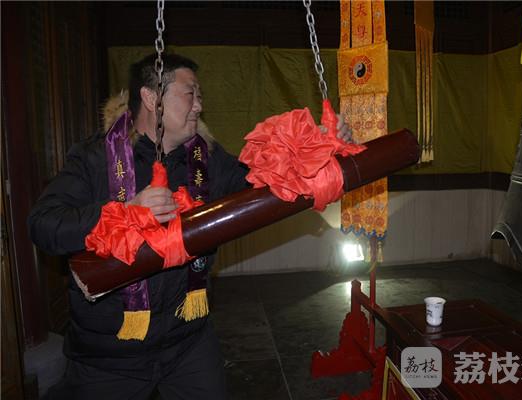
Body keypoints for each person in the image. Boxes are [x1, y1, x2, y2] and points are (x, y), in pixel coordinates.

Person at [28, 53, 352, 399]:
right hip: (108, 352)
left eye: (200, 96)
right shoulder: (95, 158)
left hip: (187, 341)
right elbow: (44, 224)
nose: (199, 105)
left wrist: (317, 147)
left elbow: (263, 185)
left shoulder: (205, 157)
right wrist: (126, 211)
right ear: (151, 98)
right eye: (190, 94)